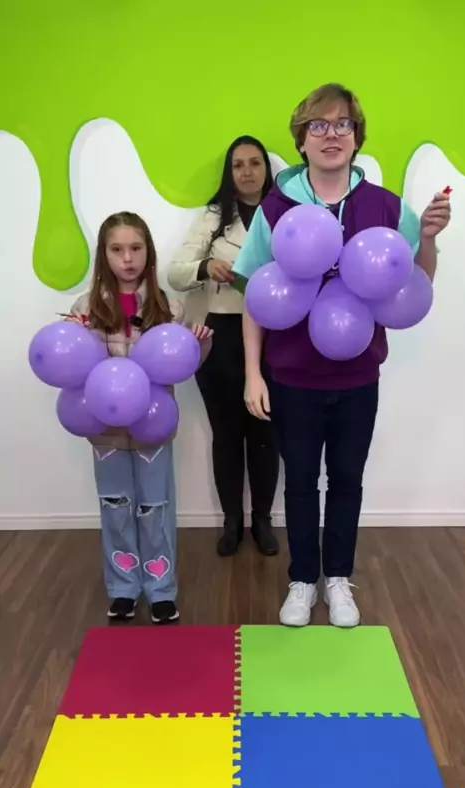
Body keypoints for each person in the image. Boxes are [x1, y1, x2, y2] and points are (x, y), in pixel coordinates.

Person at [233, 84, 451, 628]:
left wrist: (426, 237)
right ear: (301, 139)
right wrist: (253, 373)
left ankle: (337, 579)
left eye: (342, 124)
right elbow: (256, 294)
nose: (331, 135)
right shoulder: (277, 207)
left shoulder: (386, 206)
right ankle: (303, 580)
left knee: (347, 480)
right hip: (293, 376)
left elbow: (415, 283)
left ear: (357, 137)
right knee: (300, 482)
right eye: (319, 125)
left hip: (357, 375)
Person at [68, 212, 212, 623]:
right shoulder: (85, 308)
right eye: (117, 249)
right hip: (105, 431)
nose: (127, 258)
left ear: (148, 252)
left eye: (135, 248)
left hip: (153, 429)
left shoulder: (169, 307)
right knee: (115, 508)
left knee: (156, 508)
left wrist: (200, 345)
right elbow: (75, 366)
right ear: (104, 255)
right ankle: (123, 589)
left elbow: (181, 366)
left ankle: (161, 589)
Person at [168, 136, 280, 558]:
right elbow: (175, 272)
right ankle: (232, 521)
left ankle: (263, 521)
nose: (247, 172)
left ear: (267, 169)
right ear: (229, 174)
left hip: (274, 338)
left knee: (267, 433)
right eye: (238, 165)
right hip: (220, 337)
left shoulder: (285, 211)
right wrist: (206, 266)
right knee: (227, 435)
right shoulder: (214, 217)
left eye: (255, 163)